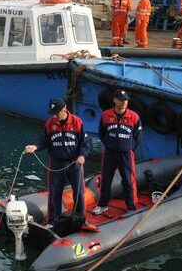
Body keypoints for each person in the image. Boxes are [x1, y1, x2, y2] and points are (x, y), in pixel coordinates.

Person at [24, 99, 89, 227]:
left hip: (74, 163)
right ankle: (54, 220)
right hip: (56, 163)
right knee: (55, 192)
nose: (54, 115)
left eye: (56, 112)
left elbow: (85, 143)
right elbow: (43, 141)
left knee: (79, 192)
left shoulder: (76, 122)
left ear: (64, 110)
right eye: (52, 112)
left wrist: (82, 155)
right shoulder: (50, 124)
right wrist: (35, 147)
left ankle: (80, 218)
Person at [92, 89, 142, 215]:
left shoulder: (134, 117)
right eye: (121, 100)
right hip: (110, 152)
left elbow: (138, 136)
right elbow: (102, 133)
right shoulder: (106, 115)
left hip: (126, 154)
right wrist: (109, 143)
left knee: (128, 180)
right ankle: (103, 205)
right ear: (114, 100)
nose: (124, 102)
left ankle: (131, 206)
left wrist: (129, 147)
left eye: (125, 100)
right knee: (106, 179)